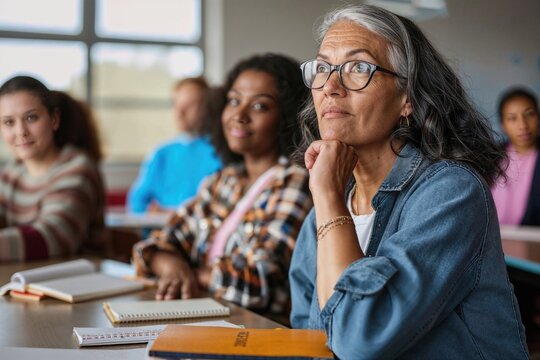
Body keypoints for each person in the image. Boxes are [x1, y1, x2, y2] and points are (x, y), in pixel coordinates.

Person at [288, 4, 528, 358]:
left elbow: (357, 340)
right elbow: (310, 341)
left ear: (408, 99)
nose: (331, 87)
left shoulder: (451, 192)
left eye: (359, 67)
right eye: (323, 67)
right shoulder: (323, 213)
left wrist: (327, 197)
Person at [133, 53, 312, 319]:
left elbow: (262, 281)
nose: (239, 115)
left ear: (288, 117)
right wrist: (170, 265)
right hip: (202, 316)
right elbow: (152, 247)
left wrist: (191, 273)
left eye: (260, 106)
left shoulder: (296, 180)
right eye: (234, 101)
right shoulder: (221, 181)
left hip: (255, 329)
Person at [0, 76, 105, 261]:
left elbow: (53, 238)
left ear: (54, 119)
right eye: (9, 122)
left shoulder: (78, 168)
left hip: (80, 283)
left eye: (31, 118)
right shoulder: (9, 175)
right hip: (23, 282)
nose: (21, 131)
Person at [127, 77, 222, 214]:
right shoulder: (161, 153)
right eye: (176, 104)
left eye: (189, 105)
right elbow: (137, 203)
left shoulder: (217, 152)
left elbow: (217, 206)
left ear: (206, 108)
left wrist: (173, 213)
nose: (180, 112)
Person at [492, 87, 540, 226]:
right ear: (503, 125)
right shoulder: (491, 157)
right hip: (493, 243)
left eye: (529, 114)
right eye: (512, 118)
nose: (523, 125)